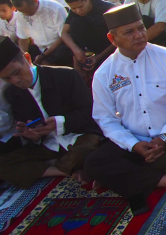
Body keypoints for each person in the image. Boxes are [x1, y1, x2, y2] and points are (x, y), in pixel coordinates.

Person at [84, 4, 166, 207]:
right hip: (134, 141)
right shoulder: (104, 73)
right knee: (93, 164)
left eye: (141, 28)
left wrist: (164, 136)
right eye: (129, 32)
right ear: (112, 39)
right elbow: (105, 118)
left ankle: (128, 175)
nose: (139, 35)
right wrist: (133, 145)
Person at [0, 36, 101, 188]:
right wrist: (34, 137)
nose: (15, 80)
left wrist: (59, 123)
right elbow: (31, 132)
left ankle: (57, 165)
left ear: (27, 59)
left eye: (17, 72)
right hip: (49, 145)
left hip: (77, 137)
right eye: (8, 78)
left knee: (88, 149)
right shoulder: (12, 93)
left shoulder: (65, 75)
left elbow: (89, 113)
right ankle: (67, 170)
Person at [61, 0, 116, 77]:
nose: (78, 11)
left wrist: (98, 57)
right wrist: (75, 49)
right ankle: (78, 68)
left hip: (110, 45)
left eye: (80, 7)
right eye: (73, 8)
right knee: (75, 22)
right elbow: (64, 33)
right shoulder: (75, 12)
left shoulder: (106, 8)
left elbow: (118, 38)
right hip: (91, 44)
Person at [11, 0, 71, 66]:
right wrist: (24, 57)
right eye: (23, 12)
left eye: (28, 11)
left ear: (35, 1)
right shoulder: (22, 13)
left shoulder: (55, 9)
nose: (26, 14)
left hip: (57, 47)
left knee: (63, 52)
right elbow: (23, 38)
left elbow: (64, 36)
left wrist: (43, 56)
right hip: (39, 49)